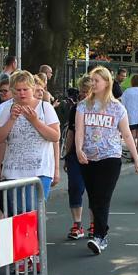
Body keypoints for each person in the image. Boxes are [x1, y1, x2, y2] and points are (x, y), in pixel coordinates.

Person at [75, 67, 138, 253]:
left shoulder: (117, 108)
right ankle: (100, 231)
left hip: (110, 157)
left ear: (106, 83)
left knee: (102, 197)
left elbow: (127, 135)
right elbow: (80, 130)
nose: (93, 83)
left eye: (96, 80)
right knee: (93, 198)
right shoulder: (83, 106)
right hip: (88, 158)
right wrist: (79, 149)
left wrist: (137, 159)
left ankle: (100, 236)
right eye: (92, 80)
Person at [0, 70, 61, 210]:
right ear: (12, 91)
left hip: (39, 171)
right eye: (18, 90)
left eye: (25, 89)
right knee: (17, 214)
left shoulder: (45, 107)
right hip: (13, 172)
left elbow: (55, 136)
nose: (22, 93)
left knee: (32, 210)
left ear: (33, 89)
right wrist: (11, 119)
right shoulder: (7, 108)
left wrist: (35, 121)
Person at [63, 76, 91, 240]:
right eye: (82, 91)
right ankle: (77, 224)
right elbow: (71, 133)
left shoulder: (102, 108)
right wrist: (67, 155)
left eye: (87, 91)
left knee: (94, 190)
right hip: (75, 154)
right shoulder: (76, 108)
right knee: (75, 187)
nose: (84, 95)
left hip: (95, 155)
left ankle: (94, 224)